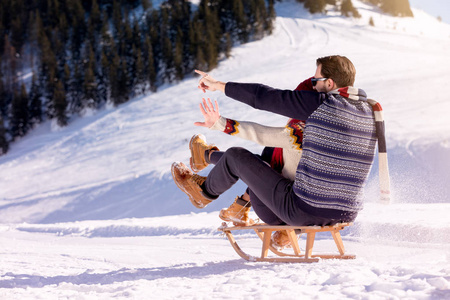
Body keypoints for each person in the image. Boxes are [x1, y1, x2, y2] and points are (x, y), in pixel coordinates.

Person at [171, 55, 377, 246]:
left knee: (237, 156)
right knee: (270, 157)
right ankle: (243, 205)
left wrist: (217, 86)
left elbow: (263, 97)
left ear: (330, 84)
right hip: (346, 213)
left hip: (302, 212)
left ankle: (204, 192)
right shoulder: (368, 111)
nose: (313, 87)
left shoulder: (321, 105)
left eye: (316, 82)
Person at [190, 77, 313, 228]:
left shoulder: (301, 133)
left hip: (279, 210)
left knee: (251, 161)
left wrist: (220, 123)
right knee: (265, 158)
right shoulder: (334, 133)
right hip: (302, 209)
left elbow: (259, 134)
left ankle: (205, 174)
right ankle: (206, 157)